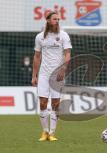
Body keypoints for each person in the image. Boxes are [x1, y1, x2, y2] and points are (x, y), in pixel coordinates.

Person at [32, 11, 72, 141]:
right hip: (43, 74)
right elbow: (37, 57)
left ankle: (52, 133)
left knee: (56, 104)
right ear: (48, 20)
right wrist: (34, 75)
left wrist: (63, 69)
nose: (57, 21)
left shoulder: (63, 35)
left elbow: (67, 54)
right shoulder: (39, 37)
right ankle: (44, 132)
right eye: (55, 19)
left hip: (57, 75)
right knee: (43, 103)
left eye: (58, 19)